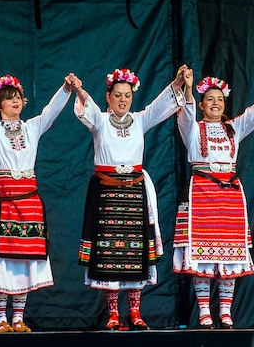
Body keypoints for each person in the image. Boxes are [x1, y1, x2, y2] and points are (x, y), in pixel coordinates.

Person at [172, 71, 254, 329]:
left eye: (220, 100)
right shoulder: (192, 129)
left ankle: (225, 312)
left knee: (230, 254)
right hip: (202, 193)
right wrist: (190, 90)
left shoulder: (233, 128)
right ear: (202, 104)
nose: (215, 103)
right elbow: (185, 114)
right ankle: (205, 311)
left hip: (230, 195)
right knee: (200, 255)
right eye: (210, 99)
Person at [74, 65, 188, 330]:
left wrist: (178, 82)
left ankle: (135, 312)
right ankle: (113, 313)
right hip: (107, 192)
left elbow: (160, 106)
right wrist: (79, 90)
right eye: (118, 95)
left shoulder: (139, 120)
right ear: (108, 97)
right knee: (109, 254)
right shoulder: (100, 121)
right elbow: (86, 107)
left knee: (135, 254)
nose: (123, 99)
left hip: (134, 193)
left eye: (127, 95)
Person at [0, 73, 81, 333]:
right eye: (9, 99)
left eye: (18, 98)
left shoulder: (32, 127)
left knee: (26, 256)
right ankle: (0, 317)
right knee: (0, 259)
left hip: (28, 199)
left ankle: (18, 317)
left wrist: (65, 89)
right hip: (3, 197)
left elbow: (50, 112)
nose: (15, 102)